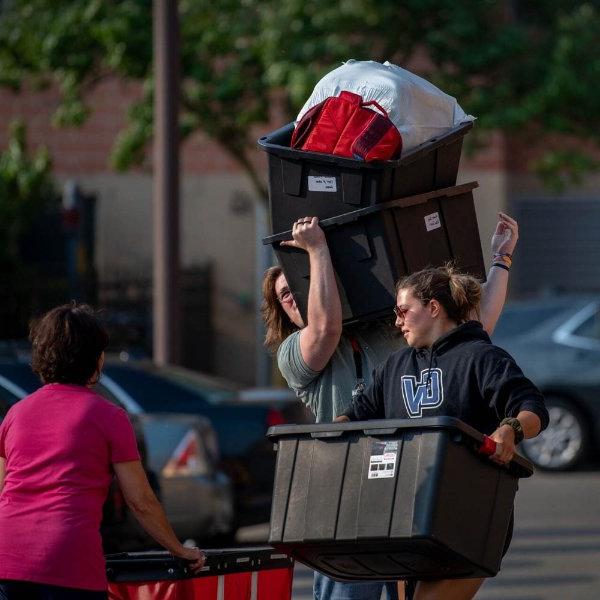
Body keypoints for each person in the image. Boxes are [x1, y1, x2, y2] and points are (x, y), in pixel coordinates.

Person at [261, 213, 519, 600]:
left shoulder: (391, 332)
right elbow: (327, 327)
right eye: (286, 296)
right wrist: (316, 248)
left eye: (299, 287)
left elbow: (475, 325)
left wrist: (500, 261)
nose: (295, 298)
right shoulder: (294, 352)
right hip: (344, 503)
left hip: (401, 494)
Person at [335, 265, 549, 600]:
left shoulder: (482, 357)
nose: (397, 321)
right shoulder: (394, 365)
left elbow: (532, 407)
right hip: (406, 514)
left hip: (469, 515)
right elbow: (356, 416)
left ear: (433, 308)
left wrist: (511, 428)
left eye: (403, 311)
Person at [0, 304, 205, 600]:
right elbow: (141, 501)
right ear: (95, 359)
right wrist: (179, 549)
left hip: (6, 557)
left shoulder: (15, 414)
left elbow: (4, 490)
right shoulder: (109, 417)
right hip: (67, 559)